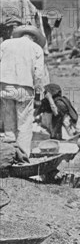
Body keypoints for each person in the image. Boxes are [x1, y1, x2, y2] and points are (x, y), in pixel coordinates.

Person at [0, 25, 45, 155]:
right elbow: (39, 73)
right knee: (24, 123)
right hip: (25, 88)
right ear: (34, 38)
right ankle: (23, 155)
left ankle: (8, 155)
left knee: (9, 121)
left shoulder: (6, 44)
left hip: (5, 86)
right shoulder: (36, 48)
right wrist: (38, 93)